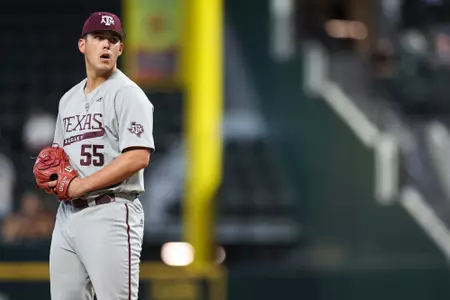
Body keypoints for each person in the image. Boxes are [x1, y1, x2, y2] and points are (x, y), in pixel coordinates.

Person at [44, 11, 155, 300]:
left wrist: (80, 185)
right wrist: (54, 178)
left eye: (113, 39)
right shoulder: (68, 100)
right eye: (98, 38)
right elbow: (58, 157)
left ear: (121, 49)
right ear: (83, 45)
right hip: (67, 216)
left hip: (111, 211)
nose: (106, 45)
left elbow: (138, 157)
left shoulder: (128, 94)